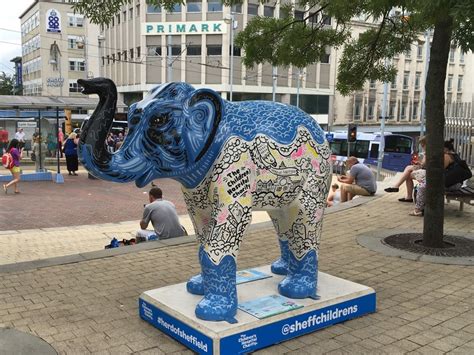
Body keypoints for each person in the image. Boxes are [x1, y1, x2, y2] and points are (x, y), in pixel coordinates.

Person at [410, 139, 471, 216]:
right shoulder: (455, 155)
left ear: (445, 149)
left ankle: (418, 209)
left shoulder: (446, 156)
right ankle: (421, 207)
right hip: (455, 183)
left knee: (422, 186)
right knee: (423, 183)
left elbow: (439, 171)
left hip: (449, 184)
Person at [384, 136, 427, 202]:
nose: (422, 147)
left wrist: (419, 164)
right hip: (426, 170)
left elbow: (424, 165)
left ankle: (398, 188)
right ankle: (405, 194)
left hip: (426, 172)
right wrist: (419, 163)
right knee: (408, 172)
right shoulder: (428, 152)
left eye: (423, 145)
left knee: (407, 172)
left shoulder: (428, 152)